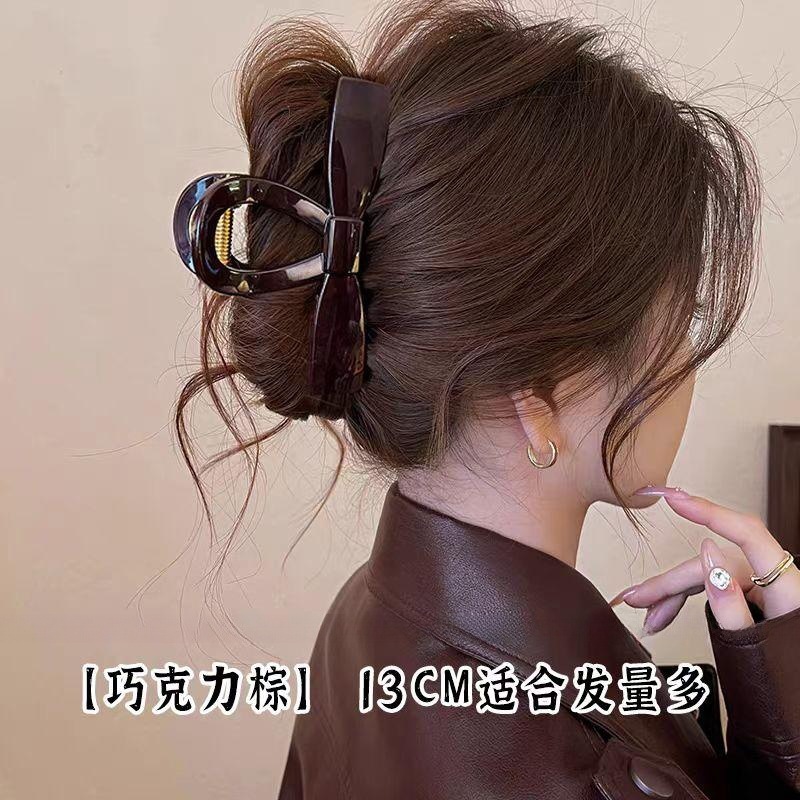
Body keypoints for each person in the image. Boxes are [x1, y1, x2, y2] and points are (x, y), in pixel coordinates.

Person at [172, 1, 800, 797]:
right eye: (684, 323)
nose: (689, 364)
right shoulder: (585, 775)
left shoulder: (369, 617)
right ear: (538, 397)